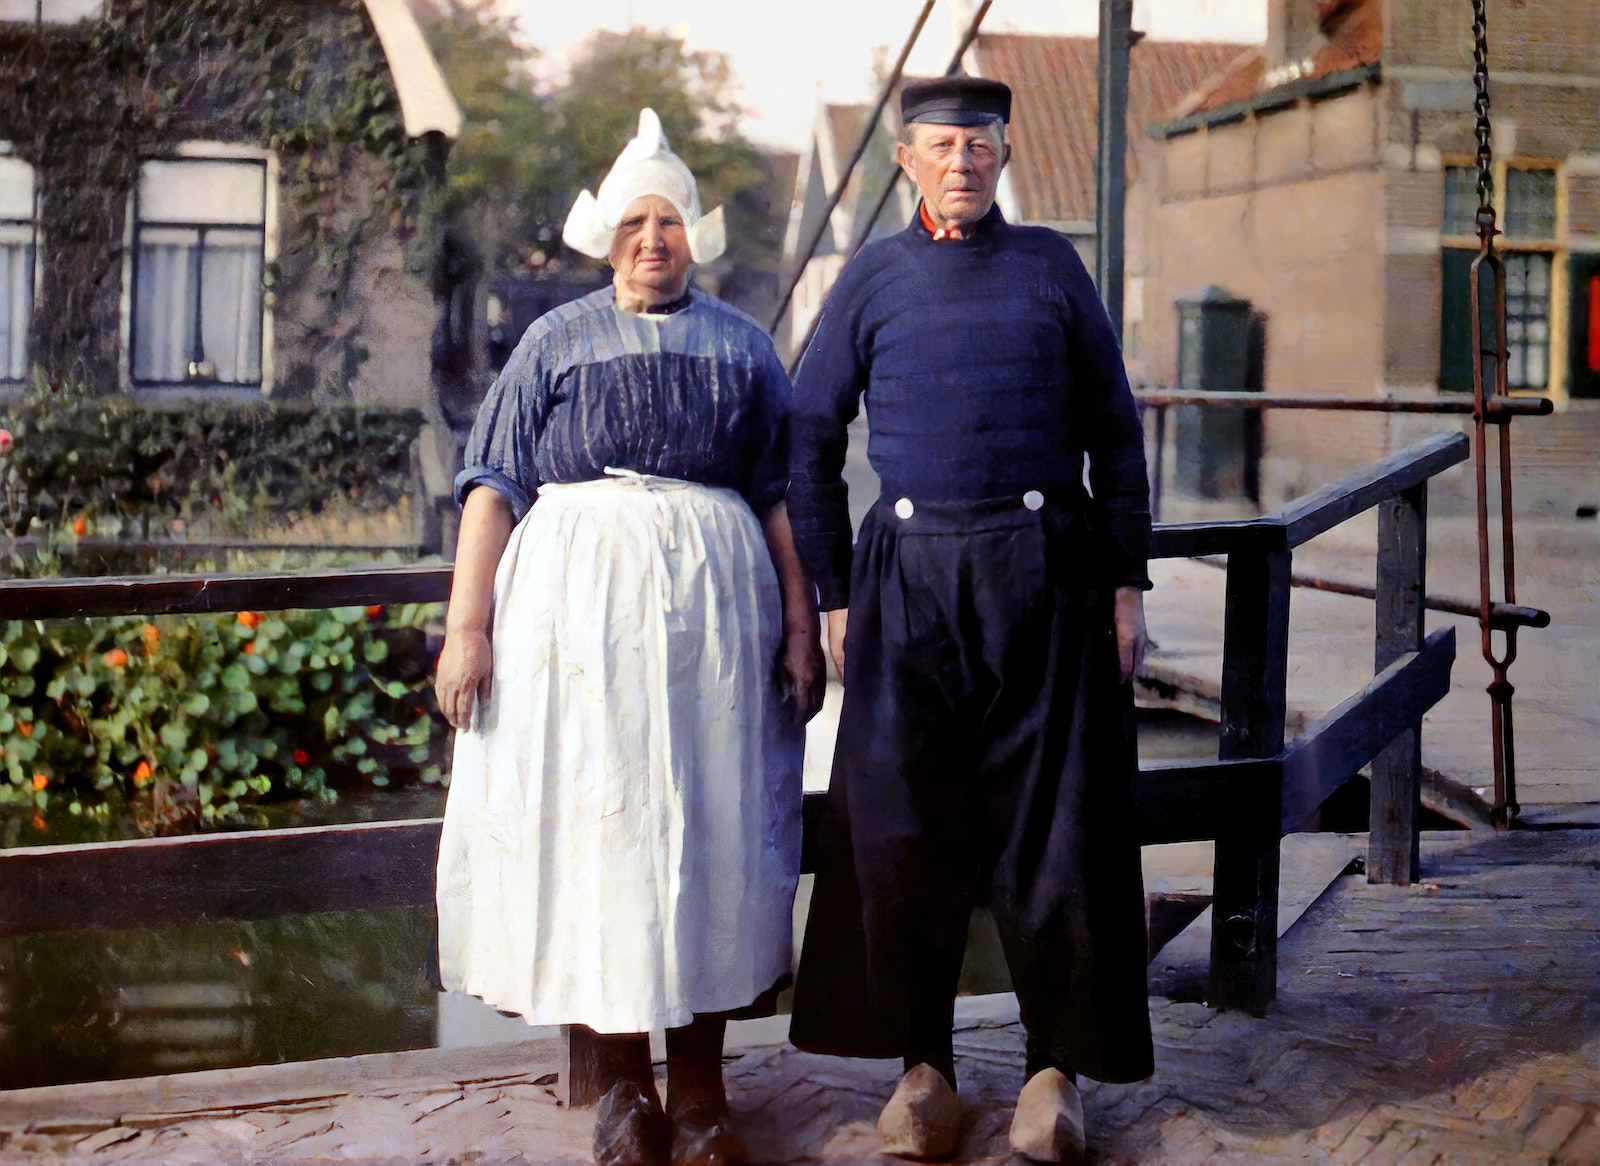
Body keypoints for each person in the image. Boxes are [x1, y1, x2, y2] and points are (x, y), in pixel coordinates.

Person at [434, 108, 825, 1166]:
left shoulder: (743, 348)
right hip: (581, 638)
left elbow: (780, 494)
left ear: (695, 230)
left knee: (712, 831)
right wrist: (467, 625)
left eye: (669, 220)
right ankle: (621, 1093)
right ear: (606, 234)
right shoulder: (553, 342)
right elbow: (492, 487)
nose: (653, 238)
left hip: (718, 633)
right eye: (634, 221)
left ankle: (701, 1093)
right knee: (602, 838)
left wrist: (801, 622)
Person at [786, 77, 1156, 1163]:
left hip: (1046, 580)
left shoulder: (1050, 267)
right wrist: (836, 588)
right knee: (902, 834)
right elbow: (809, 429)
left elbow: (1118, 433)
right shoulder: (875, 275)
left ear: (1002, 156)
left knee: (1057, 836)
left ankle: (1052, 1073)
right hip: (908, 591)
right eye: (942, 145)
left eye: (980, 144)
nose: (962, 161)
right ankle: (922, 1069)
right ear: (906, 160)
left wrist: (1126, 582)